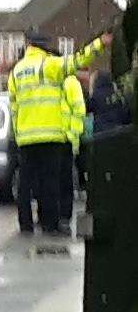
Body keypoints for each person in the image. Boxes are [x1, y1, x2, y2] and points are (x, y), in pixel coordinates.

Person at [9, 32, 111, 235]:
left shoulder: (17, 71)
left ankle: (26, 224)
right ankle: (50, 224)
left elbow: (14, 106)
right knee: (50, 182)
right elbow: (77, 60)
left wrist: (18, 133)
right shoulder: (49, 65)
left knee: (26, 183)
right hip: (50, 134)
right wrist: (99, 43)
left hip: (26, 136)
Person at [59, 72, 87, 224]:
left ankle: (63, 215)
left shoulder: (68, 82)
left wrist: (73, 137)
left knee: (63, 180)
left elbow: (79, 111)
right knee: (61, 180)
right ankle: (61, 216)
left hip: (64, 138)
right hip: (59, 137)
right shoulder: (67, 82)